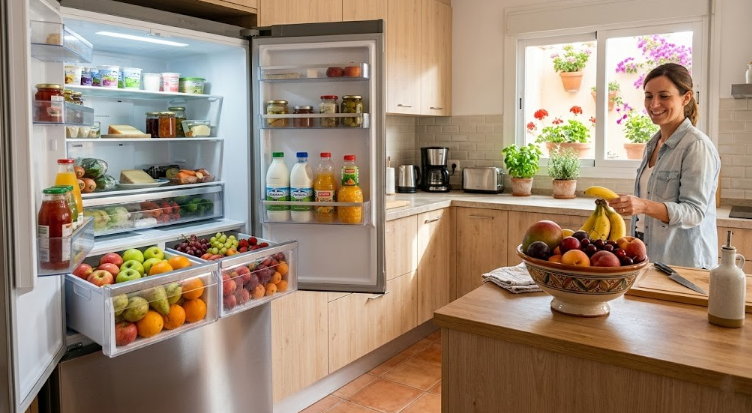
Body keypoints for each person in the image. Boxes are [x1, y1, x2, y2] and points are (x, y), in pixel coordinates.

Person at [607, 63, 720, 269]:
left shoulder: (696, 146)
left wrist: (643, 205)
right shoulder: (653, 144)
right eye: (649, 96)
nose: (654, 104)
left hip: (683, 264)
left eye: (664, 96)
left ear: (686, 98)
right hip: (649, 255)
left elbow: (694, 212)